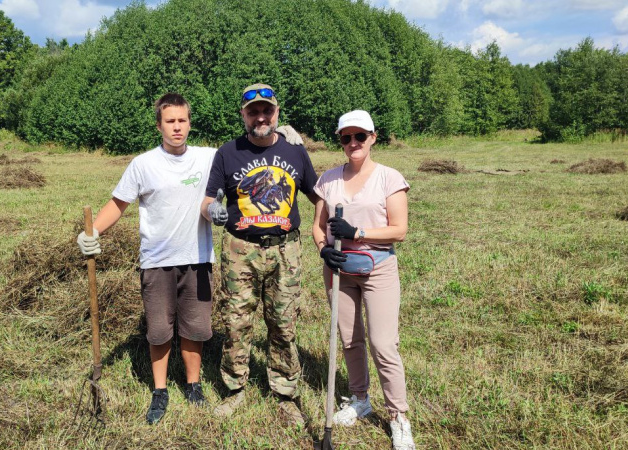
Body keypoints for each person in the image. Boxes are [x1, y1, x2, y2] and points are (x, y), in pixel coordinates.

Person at [77, 92, 304, 425]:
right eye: (170, 121)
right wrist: (92, 232)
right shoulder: (143, 164)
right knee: (158, 330)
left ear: (189, 123)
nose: (177, 127)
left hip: (198, 259)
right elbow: (118, 204)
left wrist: (281, 136)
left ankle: (193, 383)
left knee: (195, 328)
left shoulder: (208, 157)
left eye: (182, 120)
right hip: (156, 260)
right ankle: (159, 390)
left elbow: (246, 150)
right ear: (159, 126)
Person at [201, 83, 319, 426]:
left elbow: (317, 195)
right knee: (236, 322)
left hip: (285, 250)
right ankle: (235, 388)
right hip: (241, 249)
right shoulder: (227, 153)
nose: (260, 117)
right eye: (253, 112)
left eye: (267, 111)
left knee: (283, 324)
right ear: (243, 115)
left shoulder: (296, 152)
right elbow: (209, 199)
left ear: (276, 113)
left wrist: (327, 228)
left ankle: (284, 393)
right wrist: (214, 211)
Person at [311, 109, 416, 449]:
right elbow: (318, 225)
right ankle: (360, 399)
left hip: (378, 268)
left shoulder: (389, 178)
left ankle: (399, 416)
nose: (353, 143)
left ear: (373, 137)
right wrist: (323, 248)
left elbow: (399, 230)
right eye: (346, 137)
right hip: (339, 270)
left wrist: (358, 231)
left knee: (383, 344)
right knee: (349, 339)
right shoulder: (328, 180)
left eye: (360, 136)